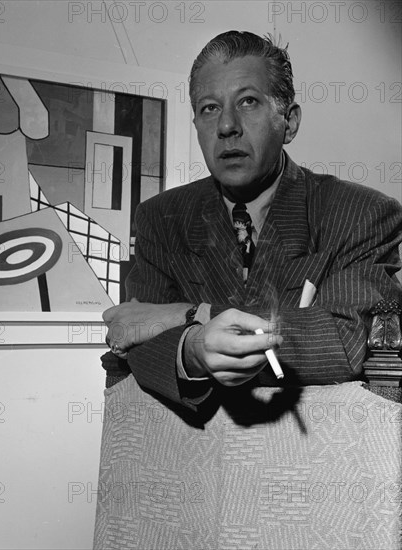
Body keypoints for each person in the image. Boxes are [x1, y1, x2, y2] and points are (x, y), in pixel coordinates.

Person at [102, 30, 402, 412]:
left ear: (289, 122)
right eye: (210, 108)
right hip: (190, 454)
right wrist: (193, 350)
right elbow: (134, 341)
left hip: (315, 460)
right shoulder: (161, 218)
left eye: (247, 102)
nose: (227, 125)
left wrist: (194, 315)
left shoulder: (360, 213)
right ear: (196, 124)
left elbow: (346, 339)